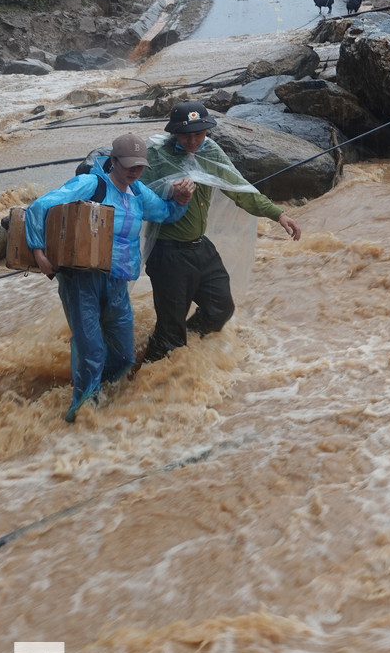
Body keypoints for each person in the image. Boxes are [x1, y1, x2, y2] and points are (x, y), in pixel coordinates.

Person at [25, 133, 194, 423]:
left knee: (124, 355)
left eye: (140, 167)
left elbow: (165, 214)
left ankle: (105, 396)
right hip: (81, 280)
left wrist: (181, 200)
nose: (134, 171)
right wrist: (39, 253)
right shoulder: (92, 184)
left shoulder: (138, 192)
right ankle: (82, 413)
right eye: (128, 165)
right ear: (112, 161)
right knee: (92, 351)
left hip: (118, 282)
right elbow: (39, 207)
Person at [139, 100, 301, 365]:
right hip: (168, 253)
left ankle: (186, 351)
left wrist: (279, 214)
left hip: (200, 247)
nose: (192, 141)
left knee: (220, 309)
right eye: (186, 135)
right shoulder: (157, 154)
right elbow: (135, 193)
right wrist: (171, 192)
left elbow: (239, 189)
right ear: (174, 133)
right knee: (170, 331)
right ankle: (144, 383)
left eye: (199, 134)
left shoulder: (210, 151)